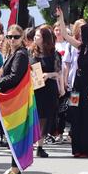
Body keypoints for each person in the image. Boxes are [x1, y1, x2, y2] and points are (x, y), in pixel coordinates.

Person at [0, 25, 30, 174]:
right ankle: (14, 168)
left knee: (15, 135)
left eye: (16, 37)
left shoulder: (21, 54)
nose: (12, 40)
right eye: (9, 37)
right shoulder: (14, 53)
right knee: (13, 135)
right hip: (12, 97)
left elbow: (14, 77)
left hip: (16, 98)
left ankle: (15, 170)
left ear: (22, 37)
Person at [56, 7, 88, 158]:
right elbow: (64, 35)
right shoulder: (81, 47)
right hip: (77, 85)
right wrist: (61, 18)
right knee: (75, 113)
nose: (80, 35)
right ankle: (76, 148)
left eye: (82, 33)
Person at [26, 25, 61, 158]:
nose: (35, 37)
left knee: (44, 118)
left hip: (48, 89)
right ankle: (29, 145)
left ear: (45, 38)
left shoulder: (53, 53)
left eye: (39, 36)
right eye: (35, 35)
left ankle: (40, 146)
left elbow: (58, 72)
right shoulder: (30, 52)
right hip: (33, 88)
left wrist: (48, 75)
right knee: (32, 116)